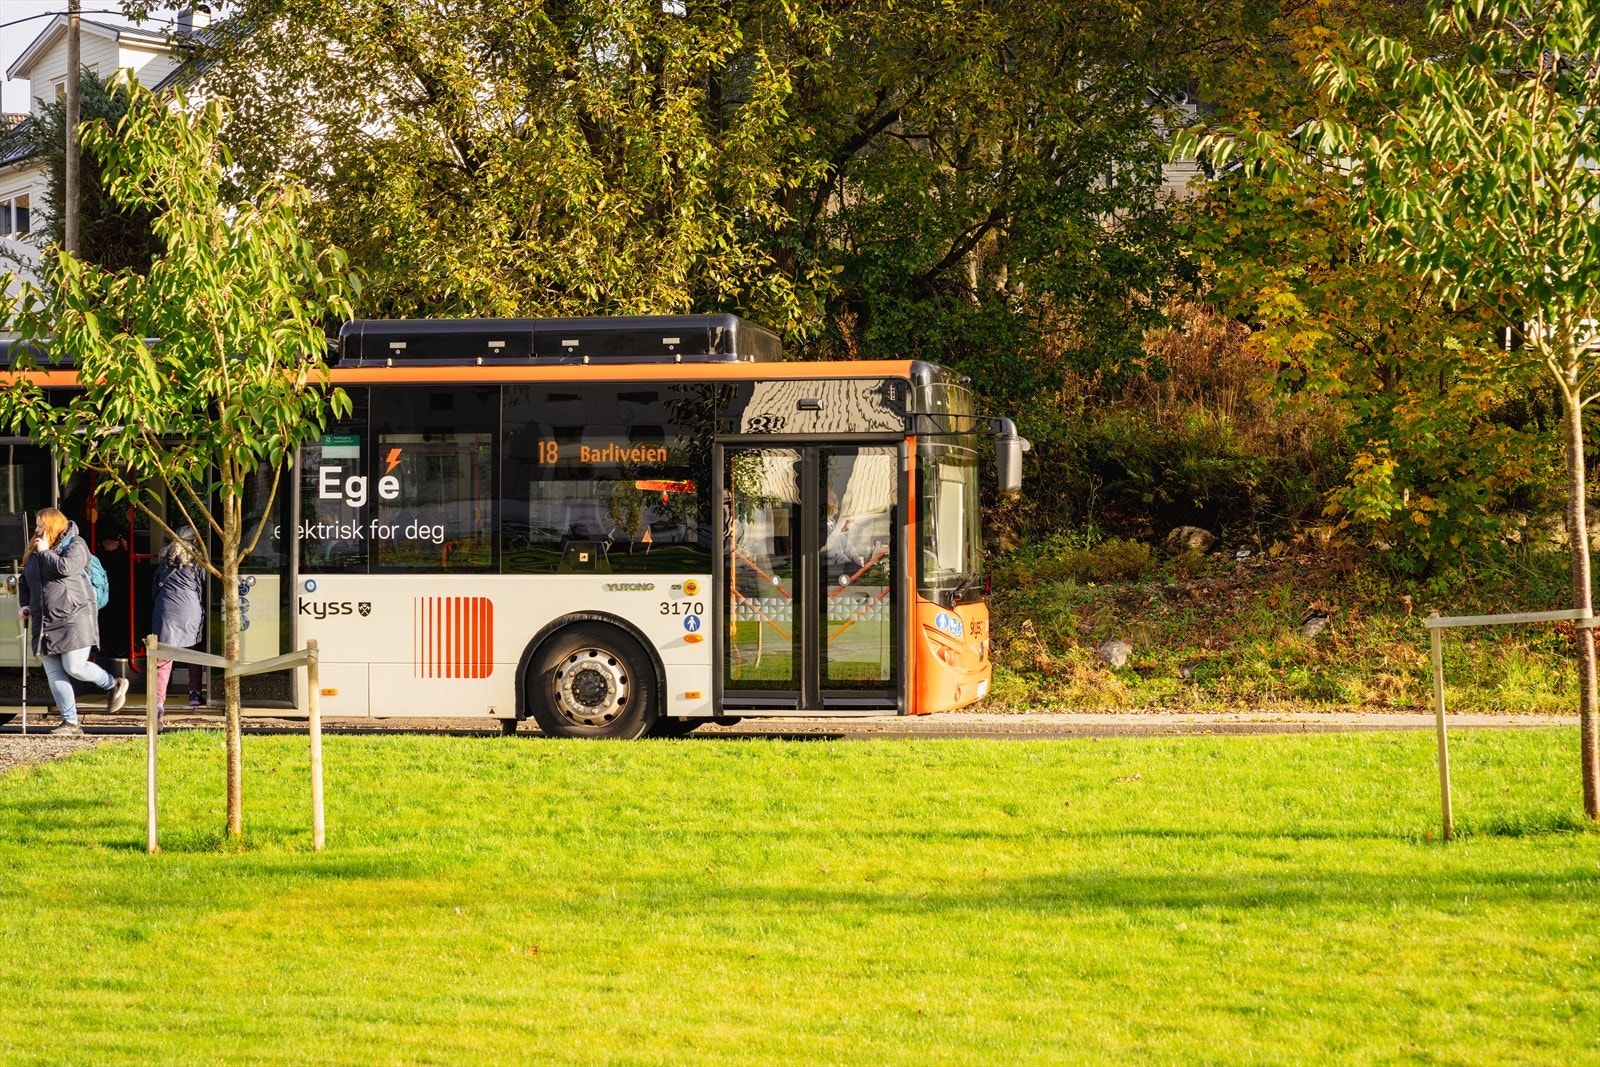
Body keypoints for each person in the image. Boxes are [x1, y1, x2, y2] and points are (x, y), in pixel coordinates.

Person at [17, 507, 129, 735]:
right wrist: (25, 604)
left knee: (73, 666)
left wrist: (46, 551)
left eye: (41, 525)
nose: (37, 529)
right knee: (54, 672)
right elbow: (24, 580)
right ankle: (70, 722)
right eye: (37, 525)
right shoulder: (35, 548)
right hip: (44, 620)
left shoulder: (76, 545)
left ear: (53, 525)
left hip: (74, 617)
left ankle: (113, 683)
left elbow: (65, 568)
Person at [151, 526, 205, 725]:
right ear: (195, 542)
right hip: (190, 610)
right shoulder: (197, 563)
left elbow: (154, 588)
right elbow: (203, 587)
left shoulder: (164, 562)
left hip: (165, 610)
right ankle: (195, 694)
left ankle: (158, 703)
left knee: (164, 659)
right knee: (193, 652)